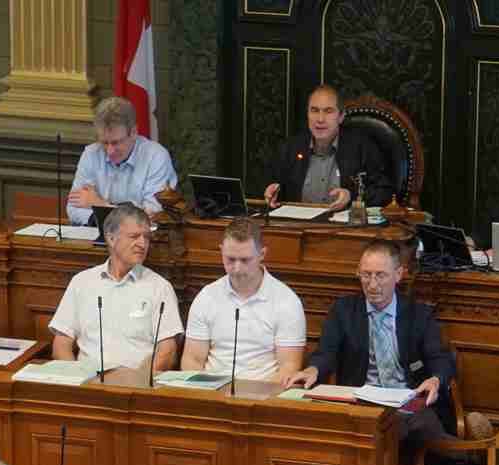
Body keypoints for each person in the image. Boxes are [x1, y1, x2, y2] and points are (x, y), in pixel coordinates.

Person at [282, 239, 456, 444]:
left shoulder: (419, 315)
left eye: (380, 275)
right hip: (360, 405)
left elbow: (441, 359)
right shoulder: (343, 311)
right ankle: (467, 454)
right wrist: (313, 370)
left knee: (414, 424)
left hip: (407, 402)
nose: (372, 285)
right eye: (366, 275)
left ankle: (464, 456)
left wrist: (435, 379)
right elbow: (326, 354)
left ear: (398, 274)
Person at [50, 203, 182, 373]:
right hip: (88, 383)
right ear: (111, 239)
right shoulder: (82, 282)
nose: (142, 244)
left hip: (136, 387)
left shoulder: (160, 288)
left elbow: (168, 351)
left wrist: (138, 382)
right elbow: (61, 344)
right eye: (134, 236)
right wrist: (76, 379)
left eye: (147, 237)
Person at [180, 218, 306, 382]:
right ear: (221, 252)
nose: (237, 268)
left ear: (261, 255)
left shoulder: (287, 301)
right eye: (230, 259)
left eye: (245, 260)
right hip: (211, 391)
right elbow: (192, 360)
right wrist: (207, 392)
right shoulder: (207, 296)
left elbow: (289, 368)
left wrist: (252, 396)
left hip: (262, 394)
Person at [264, 84, 395, 212]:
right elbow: (276, 186)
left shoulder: (362, 147)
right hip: (299, 229)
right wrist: (274, 191)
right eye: (314, 110)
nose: (320, 119)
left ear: (341, 116)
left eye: (328, 111)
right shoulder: (290, 148)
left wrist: (351, 197)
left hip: (344, 230)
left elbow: (384, 191)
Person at [67, 96, 178, 226]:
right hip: (95, 235)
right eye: (104, 142)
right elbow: (73, 209)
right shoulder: (91, 154)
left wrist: (100, 204)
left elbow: (152, 216)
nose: (109, 151)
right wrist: (107, 217)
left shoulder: (156, 157)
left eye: (116, 143)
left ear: (134, 132)